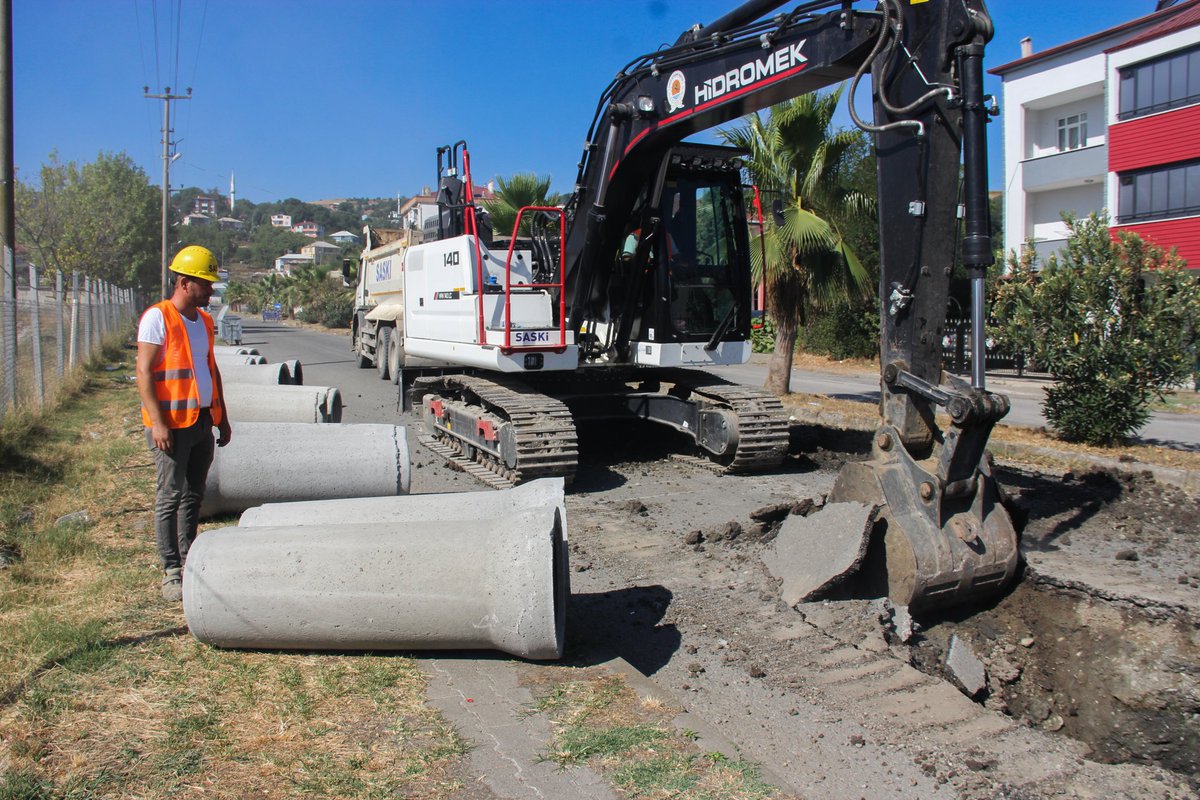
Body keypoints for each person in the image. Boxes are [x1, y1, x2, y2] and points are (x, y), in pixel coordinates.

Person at [135, 245, 232, 602]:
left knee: (194, 493)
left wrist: (222, 417)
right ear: (184, 282)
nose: (210, 291)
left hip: (201, 421)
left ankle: (190, 555)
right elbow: (143, 372)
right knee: (170, 495)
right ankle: (170, 570)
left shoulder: (205, 321)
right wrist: (158, 424)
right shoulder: (157, 318)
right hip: (171, 426)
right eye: (204, 284)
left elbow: (210, 369)